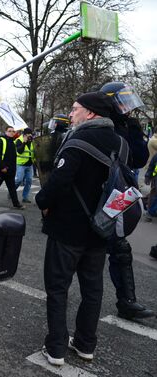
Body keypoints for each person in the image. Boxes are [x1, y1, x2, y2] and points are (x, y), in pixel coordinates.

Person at [36, 91, 121, 366]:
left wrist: (41, 201)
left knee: (58, 287)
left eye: (75, 109)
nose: (71, 114)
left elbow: (58, 181)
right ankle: (86, 344)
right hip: (101, 229)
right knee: (93, 289)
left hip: (67, 229)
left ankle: (57, 348)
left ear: (91, 113)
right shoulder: (121, 143)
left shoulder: (79, 139)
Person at [100, 81, 154, 320]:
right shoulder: (102, 126)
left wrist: (133, 128)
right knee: (80, 250)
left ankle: (127, 301)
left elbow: (140, 159)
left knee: (119, 246)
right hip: (98, 192)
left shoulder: (126, 125)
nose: (128, 108)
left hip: (120, 192)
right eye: (122, 102)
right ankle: (57, 294)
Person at [0, 125, 24, 209]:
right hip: (2, 169)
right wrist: (2, 167)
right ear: (5, 132)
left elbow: (12, 157)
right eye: (9, 131)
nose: (11, 132)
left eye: (13, 131)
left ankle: (16, 203)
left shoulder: (12, 142)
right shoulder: (1, 140)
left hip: (10, 170)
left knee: (11, 187)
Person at [15, 127, 35, 203]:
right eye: (28, 134)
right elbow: (19, 151)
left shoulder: (32, 140)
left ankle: (25, 197)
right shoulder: (19, 140)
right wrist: (24, 142)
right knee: (19, 180)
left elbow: (33, 151)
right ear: (24, 134)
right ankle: (12, 191)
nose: (29, 136)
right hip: (21, 164)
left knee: (29, 181)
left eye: (30, 134)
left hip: (30, 164)